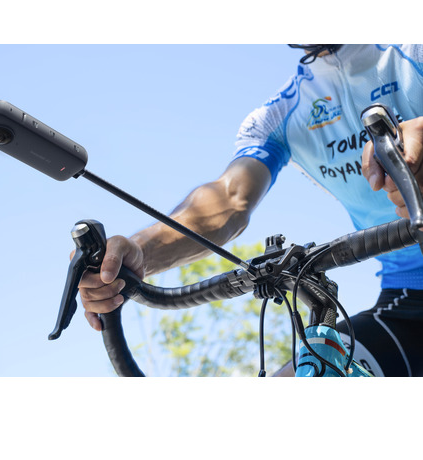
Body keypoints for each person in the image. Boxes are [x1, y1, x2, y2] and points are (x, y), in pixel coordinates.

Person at [77, 44, 423, 377]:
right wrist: (139, 252)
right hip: (410, 302)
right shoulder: (279, 116)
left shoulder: (410, 51)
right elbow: (228, 199)